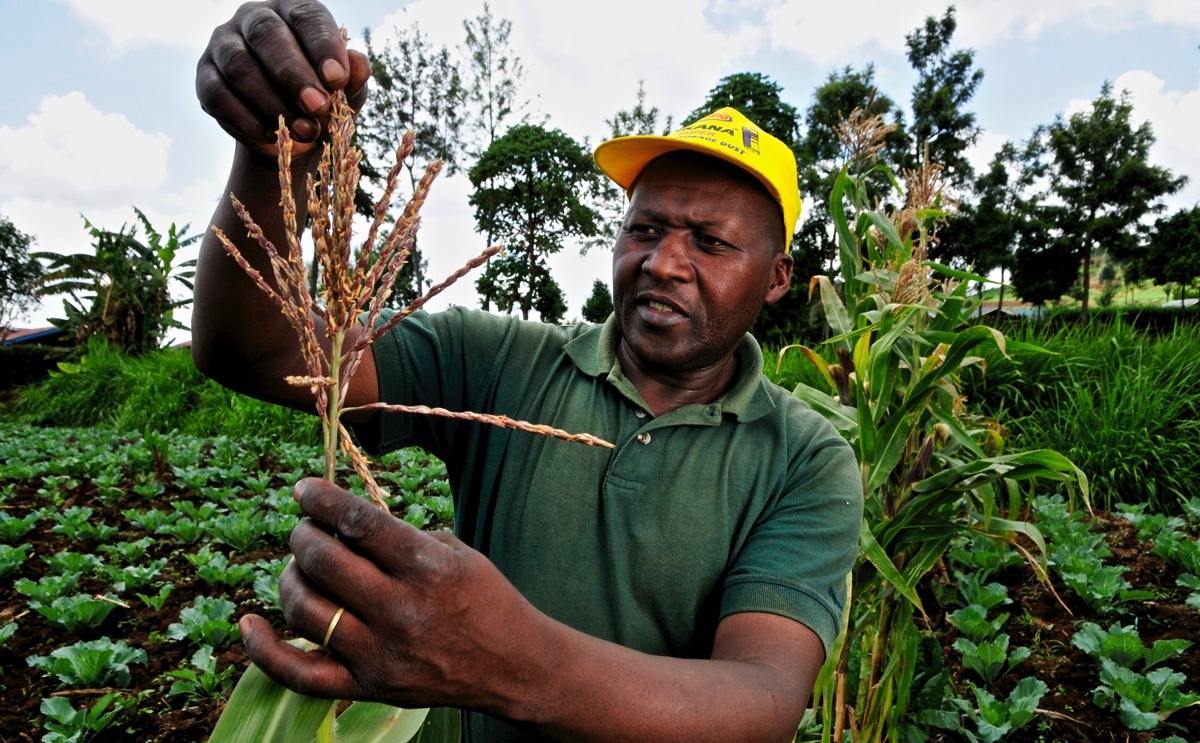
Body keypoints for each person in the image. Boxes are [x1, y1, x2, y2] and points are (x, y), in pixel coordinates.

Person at [192, 2, 864, 741]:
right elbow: (262, 354)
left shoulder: (805, 457)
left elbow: (762, 699)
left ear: (777, 278)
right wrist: (269, 161)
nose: (664, 261)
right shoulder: (503, 360)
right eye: (644, 228)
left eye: (709, 241)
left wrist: (506, 661)